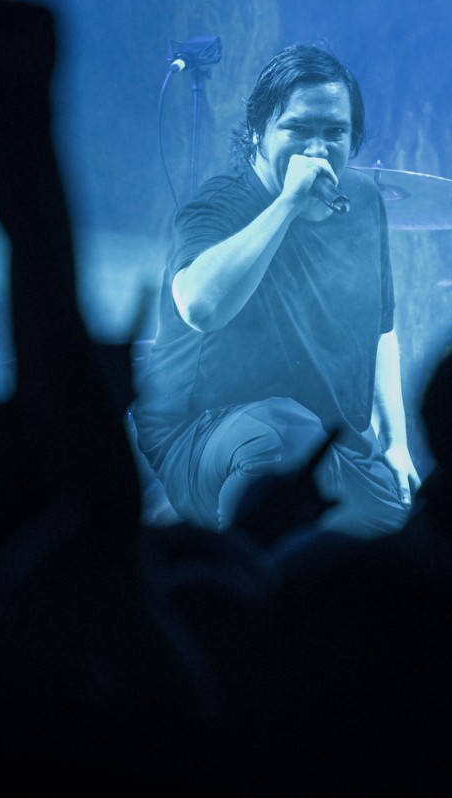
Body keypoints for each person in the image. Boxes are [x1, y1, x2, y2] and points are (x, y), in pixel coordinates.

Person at [135, 44, 416, 536]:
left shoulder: (364, 202)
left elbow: (382, 330)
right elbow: (199, 306)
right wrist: (287, 203)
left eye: (335, 132)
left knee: (403, 545)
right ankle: (241, 573)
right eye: (298, 130)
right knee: (280, 436)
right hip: (203, 433)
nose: (317, 149)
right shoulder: (218, 205)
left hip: (329, 442)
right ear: (257, 132)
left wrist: (395, 442)